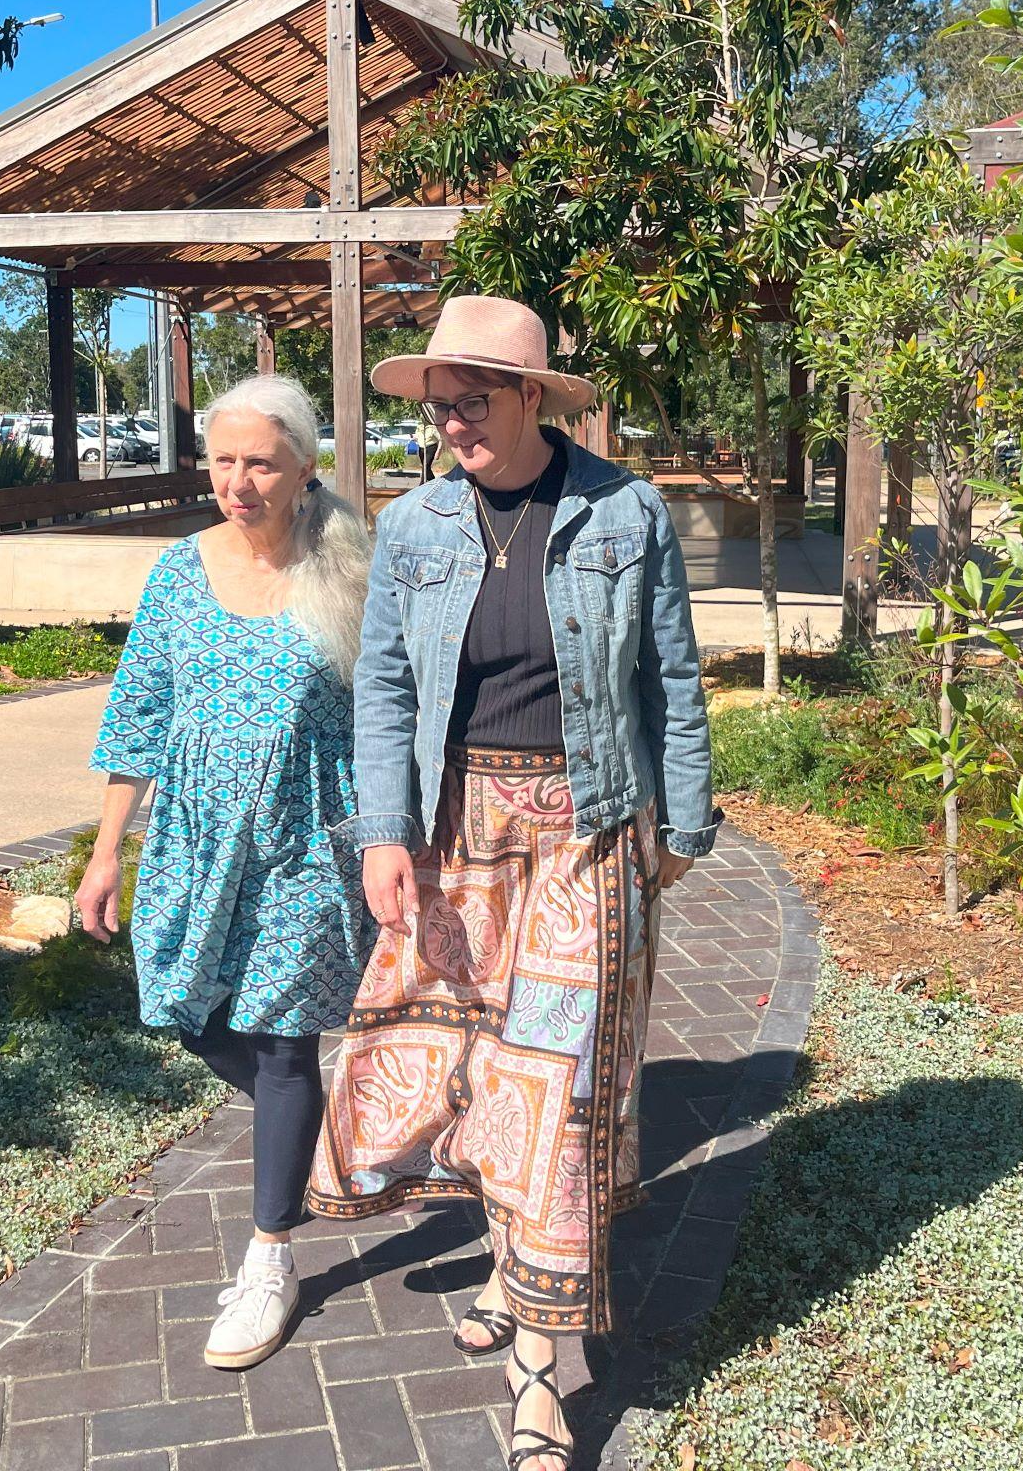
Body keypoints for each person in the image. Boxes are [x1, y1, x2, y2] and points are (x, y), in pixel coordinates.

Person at [307, 296, 718, 1471]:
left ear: (533, 395)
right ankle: (505, 1261)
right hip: (452, 833)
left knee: (556, 1075)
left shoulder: (621, 510)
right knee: (469, 1064)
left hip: (587, 834)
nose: (448, 423)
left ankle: (538, 1379)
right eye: (436, 405)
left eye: (470, 400)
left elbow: (671, 680)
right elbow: (382, 689)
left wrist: (679, 827)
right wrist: (383, 832)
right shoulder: (416, 524)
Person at [75, 374, 374, 1372]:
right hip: (195, 836)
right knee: (186, 1011)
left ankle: (271, 1255)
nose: (238, 482)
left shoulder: (345, 565)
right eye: (223, 460)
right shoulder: (176, 569)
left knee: (284, 1042)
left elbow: (388, 712)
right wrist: (106, 848)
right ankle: (313, 1129)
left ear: (301, 466)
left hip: (303, 836)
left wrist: (392, 840)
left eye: (260, 462)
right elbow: (139, 712)